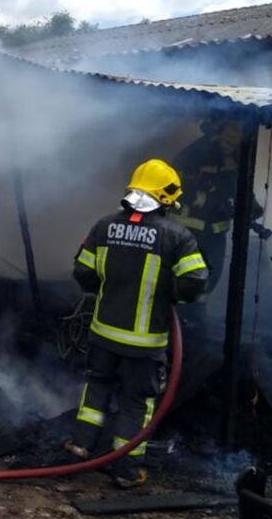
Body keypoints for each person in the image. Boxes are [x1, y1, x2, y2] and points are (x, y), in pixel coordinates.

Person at [64, 159, 209, 488]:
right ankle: (126, 470)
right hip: (143, 344)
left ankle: (80, 445)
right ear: (166, 198)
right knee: (136, 401)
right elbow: (195, 282)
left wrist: (109, 287)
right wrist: (169, 293)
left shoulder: (103, 226)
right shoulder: (177, 235)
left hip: (102, 333)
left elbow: (83, 274)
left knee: (97, 387)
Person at [171, 117, 265, 295]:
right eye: (229, 136)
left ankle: (197, 311)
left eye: (237, 136)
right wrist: (205, 190)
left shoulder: (235, 156)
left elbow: (238, 184)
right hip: (190, 230)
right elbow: (178, 187)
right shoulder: (194, 154)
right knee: (188, 278)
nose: (234, 140)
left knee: (211, 277)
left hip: (215, 232)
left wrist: (250, 208)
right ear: (217, 133)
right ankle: (187, 315)